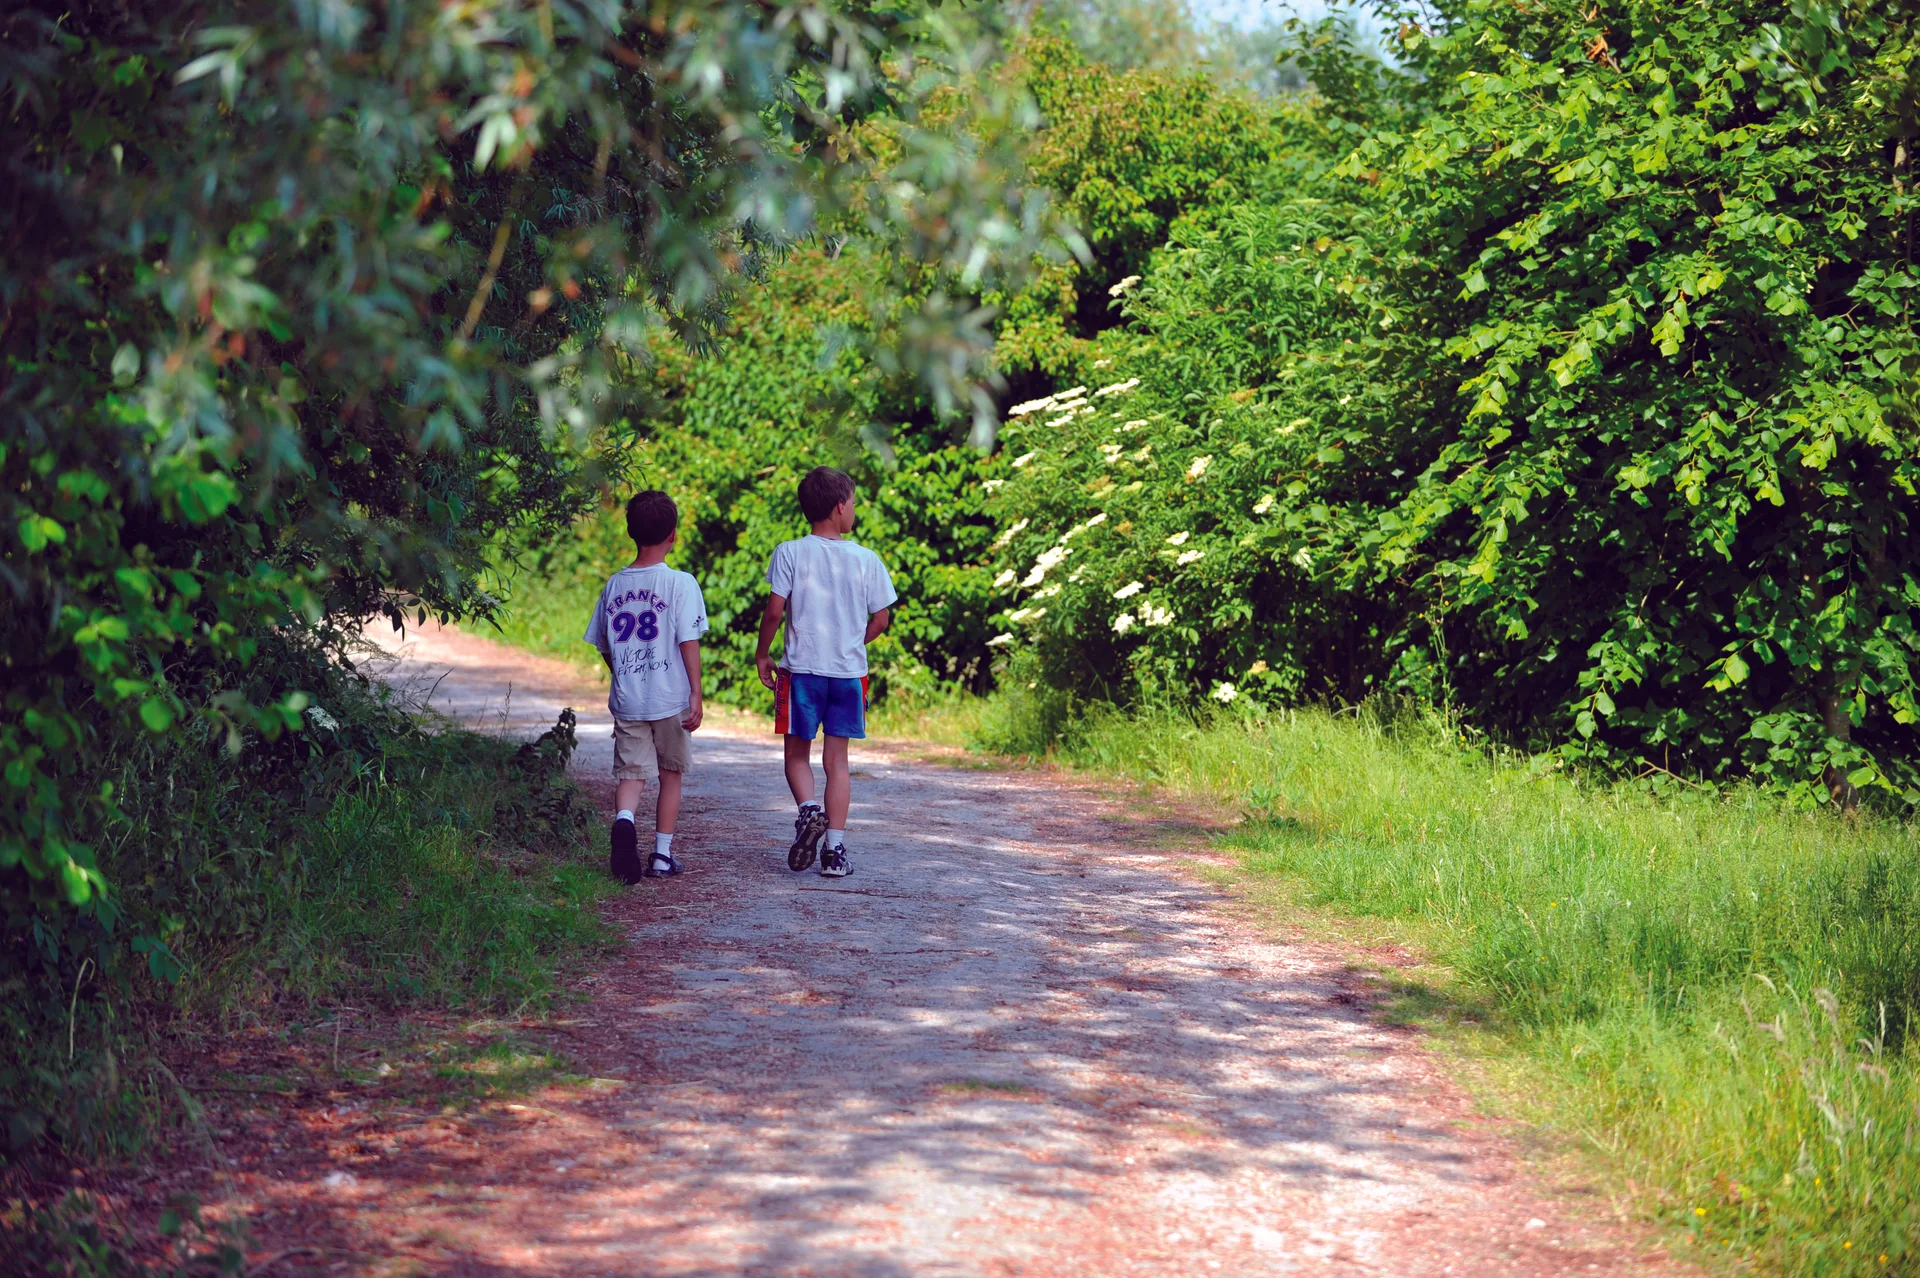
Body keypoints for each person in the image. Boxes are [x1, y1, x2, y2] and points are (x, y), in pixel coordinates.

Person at [755, 467, 897, 878]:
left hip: (801, 672)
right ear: (839, 507)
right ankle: (834, 853)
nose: (853, 510)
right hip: (848, 674)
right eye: (852, 503)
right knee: (837, 762)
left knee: (796, 755)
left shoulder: (789, 552)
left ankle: (808, 810)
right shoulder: (867, 559)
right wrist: (853, 643)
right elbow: (882, 619)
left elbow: (775, 611)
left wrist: (763, 653)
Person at [584, 490, 708, 882]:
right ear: (673, 535)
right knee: (671, 773)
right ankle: (661, 855)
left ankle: (624, 821)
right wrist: (696, 691)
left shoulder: (614, 586)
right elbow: (688, 640)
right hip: (670, 699)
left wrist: (622, 672)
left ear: (629, 532)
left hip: (629, 699)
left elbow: (605, 645)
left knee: (631, 775)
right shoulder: (681, 583)